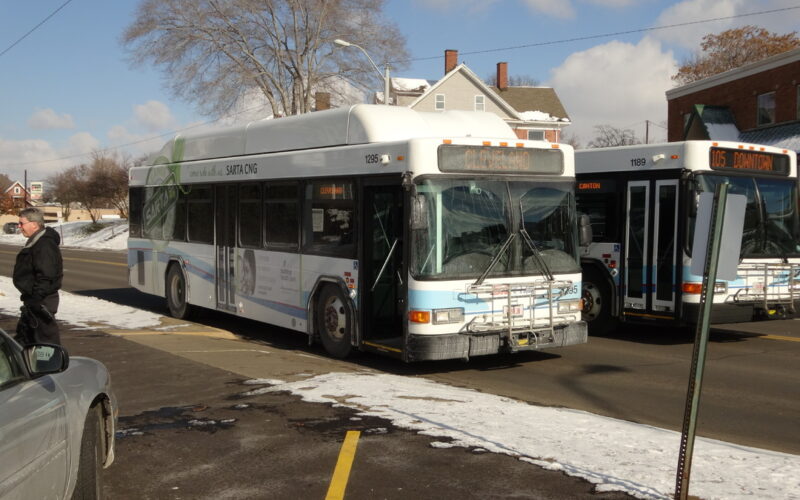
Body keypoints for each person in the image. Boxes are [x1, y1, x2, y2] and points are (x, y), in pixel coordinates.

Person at [13, 208, 63, 345]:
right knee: (25, 340)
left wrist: (36, 299)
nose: (19, 226)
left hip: (42, 301)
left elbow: (46, 275)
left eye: (21, 223)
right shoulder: (37, 241)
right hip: (34, 300)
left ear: (34, 224)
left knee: (45, 342)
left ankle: (51, 365)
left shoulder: (44, 244)